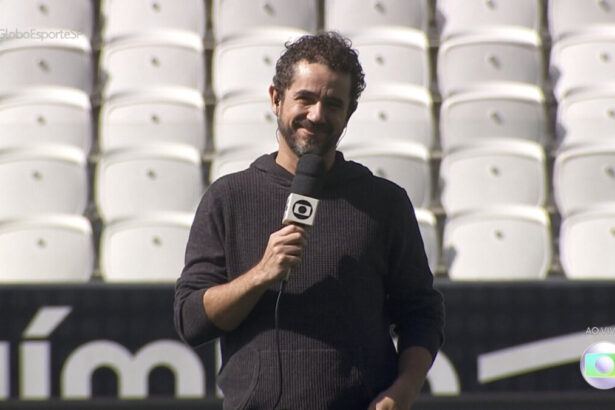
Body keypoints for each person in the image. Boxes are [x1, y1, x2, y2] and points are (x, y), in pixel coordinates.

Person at [174, 31, 444, 410]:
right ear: (275, 99)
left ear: (348, 113)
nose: (316, 115)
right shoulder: (228, 198)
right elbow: (191, 320)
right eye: (305, 98)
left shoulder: (384, 202)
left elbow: (422, 314)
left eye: (333, 103)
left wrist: (403, 392)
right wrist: (261, 274)